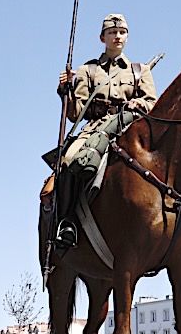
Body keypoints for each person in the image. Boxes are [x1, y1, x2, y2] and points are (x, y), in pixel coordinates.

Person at [51, 14, 157, 249]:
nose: (117, 36)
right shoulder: (87, 70)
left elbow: (152, 103)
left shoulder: (140, 71)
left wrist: (139, 104)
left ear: (127, 37)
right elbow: (75, 113)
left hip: (131, 127)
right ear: (103, 37)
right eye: (112, 32)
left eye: (121, 33)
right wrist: (65, 90)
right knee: (69, 160)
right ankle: (67, 222)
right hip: (96, 128)